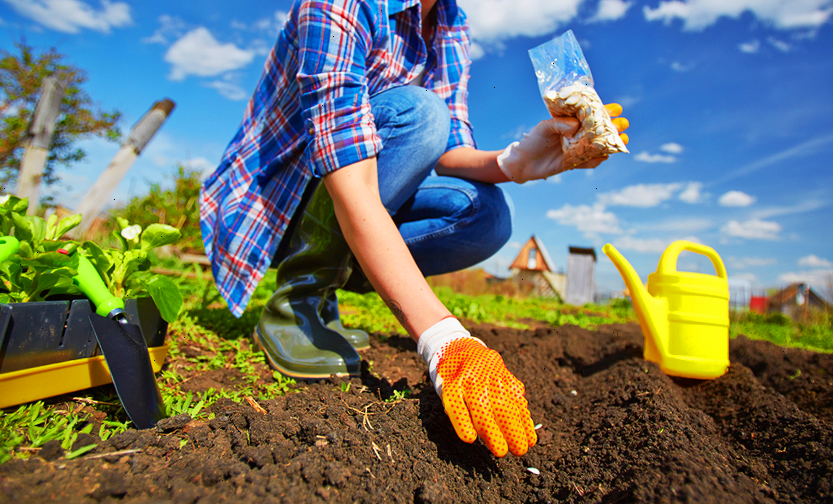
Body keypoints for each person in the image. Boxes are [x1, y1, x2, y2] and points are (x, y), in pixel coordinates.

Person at [200, 0, 629, 458]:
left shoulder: (450, 22)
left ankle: (341, 279)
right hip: (277, 202)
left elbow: (451, 151)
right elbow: (348, 166)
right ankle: (297, 301)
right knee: (421, 113)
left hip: (358, 188)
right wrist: (442, 338)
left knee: (487, 216)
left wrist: (517, 163)